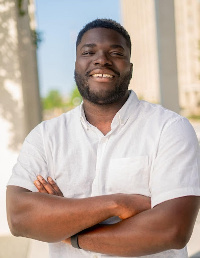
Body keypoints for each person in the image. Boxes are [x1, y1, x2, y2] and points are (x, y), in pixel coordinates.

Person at [6, 19, 200, 258]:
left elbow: (172, 230)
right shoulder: (45, 136)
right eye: (88, 52)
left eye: (116, 52)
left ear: (130, 67)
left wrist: (68, 230)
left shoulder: (170, 129)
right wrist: (118, 203)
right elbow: (19, 218)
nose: (101, 59)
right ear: (76, 65)